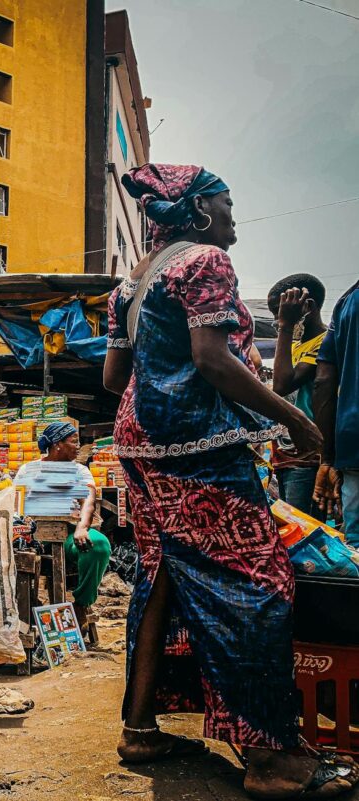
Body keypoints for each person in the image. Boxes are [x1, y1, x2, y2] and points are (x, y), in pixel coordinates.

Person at [103, 163, 355, 798]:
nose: (234, 217)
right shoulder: (206, 263)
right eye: (226, 204)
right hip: (199, 450)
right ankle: (271, 759)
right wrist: (298, 422)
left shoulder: (132, 282)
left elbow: (113, 379)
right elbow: (211, 359)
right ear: (198, 213)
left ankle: (139, 728)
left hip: (140, 446)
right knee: (255, 583)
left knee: (160, 577)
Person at [12, 421, 111, 635]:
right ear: (57, 445)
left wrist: (82, 528)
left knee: (99, 546)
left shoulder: (80, 471)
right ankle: (28, 607)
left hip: (68, 535)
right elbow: (16, 504)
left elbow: (88, 502)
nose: (78, 446)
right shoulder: (28, 470)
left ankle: (81, 604)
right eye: (74, 442)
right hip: (33, 538)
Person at [267, 275, 327, 517]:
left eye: (279, 313)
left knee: (304, 532)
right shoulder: (292, 346)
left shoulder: (325, 342)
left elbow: (282, 385)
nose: (277, 320)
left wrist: (285, 326)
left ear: (308, 307)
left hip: (308, 458)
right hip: (284, 456)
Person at [314, 278, 359, 547]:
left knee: (355, 546)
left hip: (353, 441)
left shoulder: (346, 302)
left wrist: (327, 458)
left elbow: (323, 381)